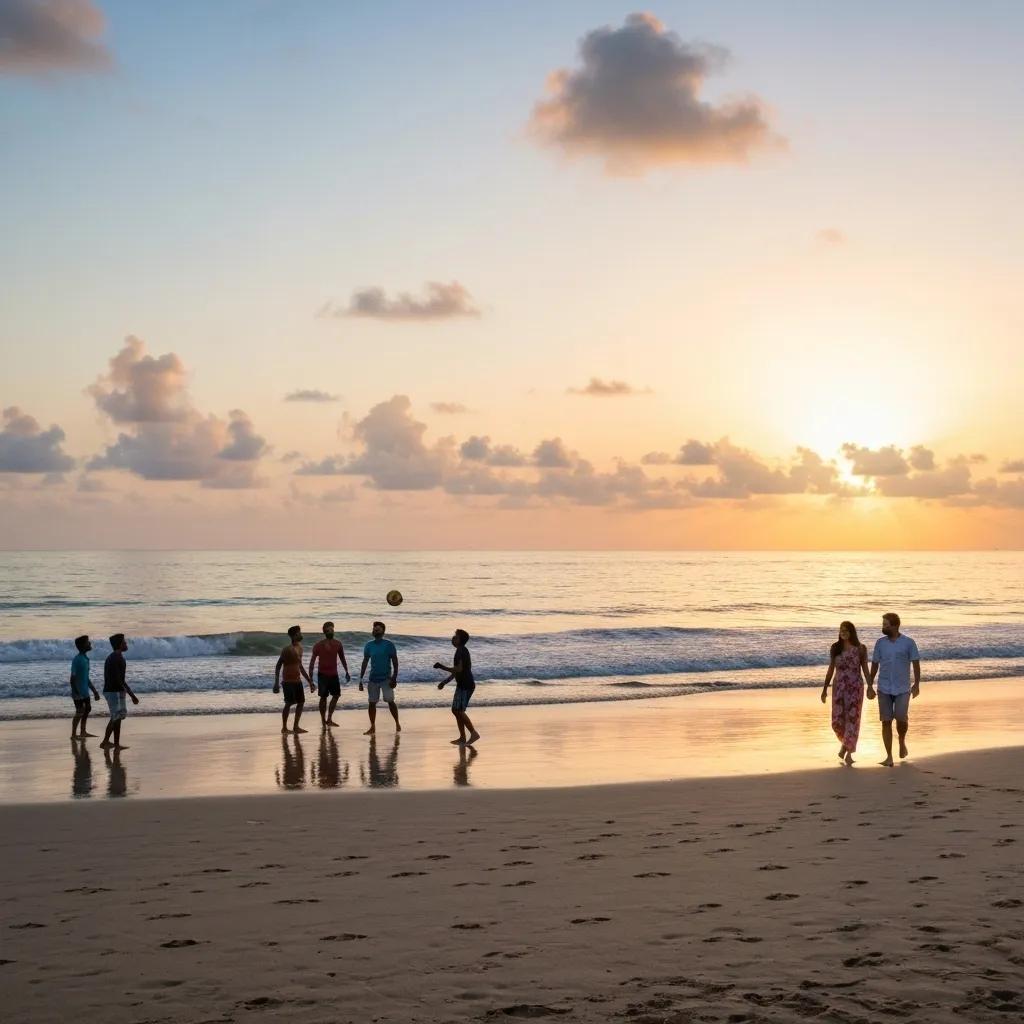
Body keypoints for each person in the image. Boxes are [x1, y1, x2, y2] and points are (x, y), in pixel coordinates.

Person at [868, 612, 921, 767]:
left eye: (886, 625)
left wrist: (916, 684)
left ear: (895, 626)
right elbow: (874, 664)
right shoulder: (880, 643)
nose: (883, 627)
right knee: (886, 721)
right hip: (883, 687)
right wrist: (870, 685)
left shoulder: (908, 643)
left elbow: (916, 664)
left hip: (903, 688)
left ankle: (902, 741)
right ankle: (889, 757)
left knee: (901, 718)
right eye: (883, 624)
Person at [820, 621, 870, 765]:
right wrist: (824, 689)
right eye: (842, 630)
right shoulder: (835, 648)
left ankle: (847, 752)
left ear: (852, 632)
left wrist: (870, 686)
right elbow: (831, 668)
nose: (843, 632)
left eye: (847, 630)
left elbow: (865, 669)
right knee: (837, 721)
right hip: (839, 688)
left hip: (855, 688)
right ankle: (845, 745)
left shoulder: (860, 649)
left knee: (853, 719)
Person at [435, 628, 480, 745]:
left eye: (456, 637)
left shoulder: (461, 651)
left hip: (466, 685)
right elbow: (456, 672)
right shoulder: (461, 650)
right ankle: (462, 737)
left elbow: (458, 669)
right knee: (456, 710)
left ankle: (473, 733)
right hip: (463, 684)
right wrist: (444, 682)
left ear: (460, 640)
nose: (453, 638)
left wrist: (442, 667)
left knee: (458, 710)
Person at [359, 621, 400, 735]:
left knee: (390, 701)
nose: (376, 630)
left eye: (378, 628)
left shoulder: (389, 645)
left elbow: (395, 661)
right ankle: (372, 727)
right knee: (372, 703)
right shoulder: (369, 645)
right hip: (373, 679)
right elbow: (365, 661)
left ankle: (397, 723)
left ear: (383, 631)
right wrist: (361, 679)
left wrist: (394, 677)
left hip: (386, 679)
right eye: (374, 628)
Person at [100, 634, 139, 750]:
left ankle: (113, 744)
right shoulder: (116, 658)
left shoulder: (116, 657)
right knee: (116, 718)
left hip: (115, 690)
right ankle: (107, 743)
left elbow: (120, 679)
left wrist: (130, 694)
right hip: (114, 691)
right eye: (124, 642)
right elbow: (119, 680)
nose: (126, 644)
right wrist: (131, 695)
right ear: (119, 644)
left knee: (117, 718)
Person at [309, 621, 350, 729]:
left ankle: (329, 718)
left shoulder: (338, 644)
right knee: (323, 697)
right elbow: (312, 662)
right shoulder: (318, 645)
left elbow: (342, 658)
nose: (330, 631)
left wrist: (347, 671)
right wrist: (310, 678)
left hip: (334, 675)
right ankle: (323, 720)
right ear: (324, 632)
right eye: (328, 630)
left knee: (336, 695)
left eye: (332, 629)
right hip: (322, 675)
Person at [274, 625, 313, 734]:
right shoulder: (287, 649)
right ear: (294, 636)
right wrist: (276, 683)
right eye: (299, 633)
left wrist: (309, 681)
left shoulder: (300, 648)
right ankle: (284, 728)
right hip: (288, 681)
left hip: (297, 680)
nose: (301, 634)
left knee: (301, 702)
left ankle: (296, 727)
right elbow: (278, 665)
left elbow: (300, 666)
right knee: (289, 703)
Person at [69, 634, 101, 741]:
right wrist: (75, 691)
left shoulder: (86, 659)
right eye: (88, 642)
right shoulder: (77, 659)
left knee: (87, 709)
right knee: (79, 712)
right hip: (78, 692)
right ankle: (73, 734)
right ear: (83, 646)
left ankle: (83, 731)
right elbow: (72, 678)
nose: (90, 643)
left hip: (85, 692)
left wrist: (94, 691)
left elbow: (86, 678)